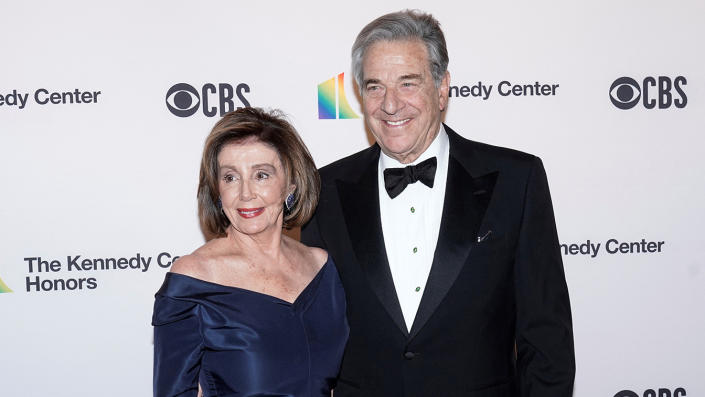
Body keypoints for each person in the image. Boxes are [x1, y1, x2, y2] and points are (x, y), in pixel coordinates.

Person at [301, 10, 575, 397]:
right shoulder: (324, 191)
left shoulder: (517, 180)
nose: (390, 104)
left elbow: (547, 338)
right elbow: (310, 341)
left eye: (408, 83)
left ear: (442, 87)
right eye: (375, 86)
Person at [152, 107, 349, 397]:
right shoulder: (194, 278)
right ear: (218, 192)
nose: (245, 193)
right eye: (230, 178)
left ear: (290, 185)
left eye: (261, 175)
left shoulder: (320, 267)